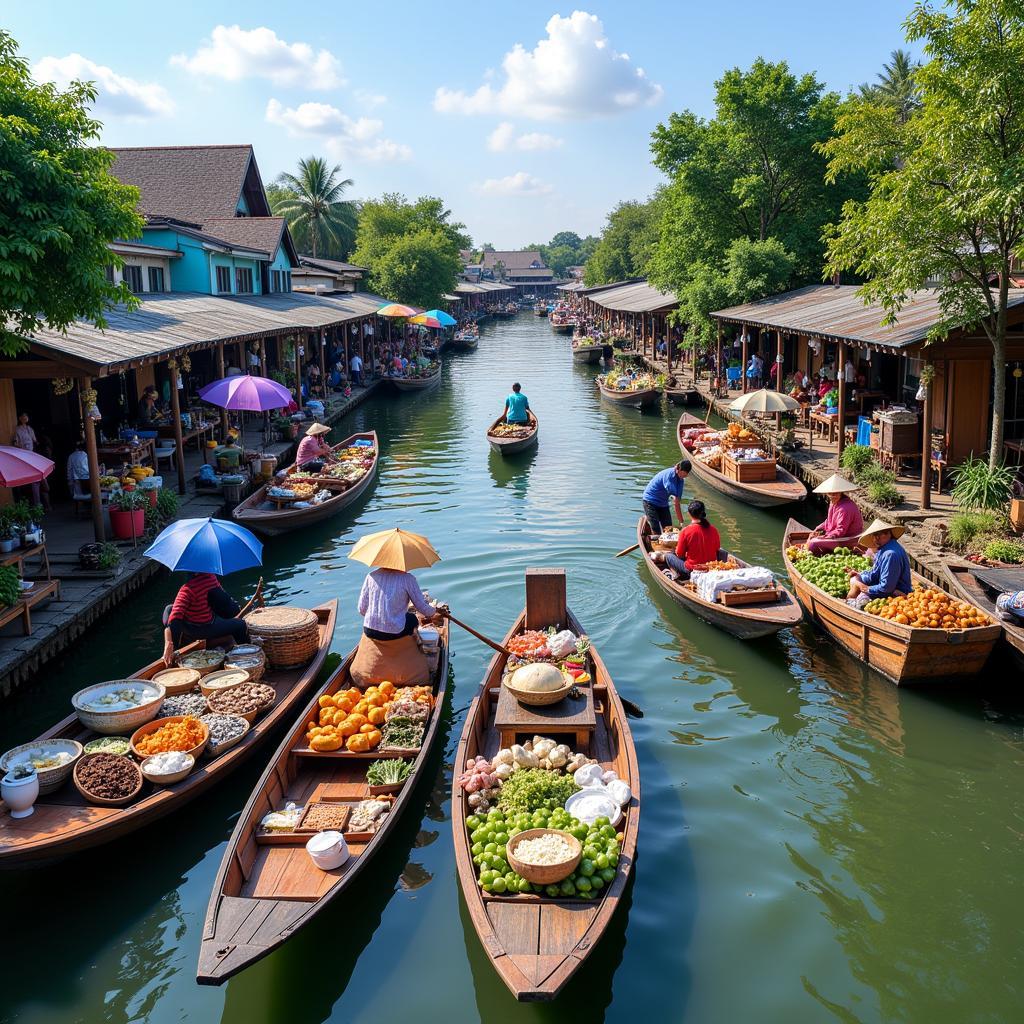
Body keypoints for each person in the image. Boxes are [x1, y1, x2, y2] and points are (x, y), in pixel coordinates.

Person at [162, 572, 248, 664]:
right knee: (241, 625)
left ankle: (178, 645)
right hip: (202, 626)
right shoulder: (210, 578)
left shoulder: (187, 588)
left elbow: (175, 617)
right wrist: (170, 642)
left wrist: (171, 642)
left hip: (197, 626)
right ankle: (246, 654)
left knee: (169, 608)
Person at [358, 566, 444, 641]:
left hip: (369, 629)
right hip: (394, 633)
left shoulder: (371, 576)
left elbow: (362, 610)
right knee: (412, 619)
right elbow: (424, 609)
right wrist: (435, 610)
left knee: (407, 617)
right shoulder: (407, 578)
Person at [846, 519, 912, 602]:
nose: (875, 539)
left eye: (879, 535)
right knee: (855, 579)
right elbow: (874, 574)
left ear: (889, 534)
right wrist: (860, 575)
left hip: (896, 593)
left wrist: (864, 588)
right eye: (874, 535)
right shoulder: (883, 549)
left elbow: (886, 588)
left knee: (855, 585)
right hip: (889, 589)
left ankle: (849, 603)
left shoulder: (890, 554)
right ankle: (849, 601)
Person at [659, 500, 724, 579]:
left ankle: (677, 574)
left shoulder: (686, 531)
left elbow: (680, 554)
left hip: (692, 569)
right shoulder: (714, 530)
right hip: (711, 567)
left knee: (669, 556)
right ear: (703, 513)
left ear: (689, 514)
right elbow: (717, 548)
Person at [807, 475, 865, 555]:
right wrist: (818, 528)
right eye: (830, 493)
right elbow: (829, 521)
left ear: (840, 492)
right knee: (812, 536)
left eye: (835, 493)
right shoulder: (833, 503)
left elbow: (840, 531)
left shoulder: (845, 508)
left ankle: (821, 555)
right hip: (838, 536)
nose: (832, 496)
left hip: (848, 539)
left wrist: (826, 537)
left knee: (813, 543)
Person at [642, 460, 691, 534]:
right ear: (679, 469)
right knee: (656, 530)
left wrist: (681, 523)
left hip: (663, 503)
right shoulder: (669, 476)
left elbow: (677, 502)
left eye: (686, 475)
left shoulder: (681, 480)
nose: (684, 476)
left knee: (669, 530)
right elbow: (673, 495)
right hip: (650, 501)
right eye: (683, 474)